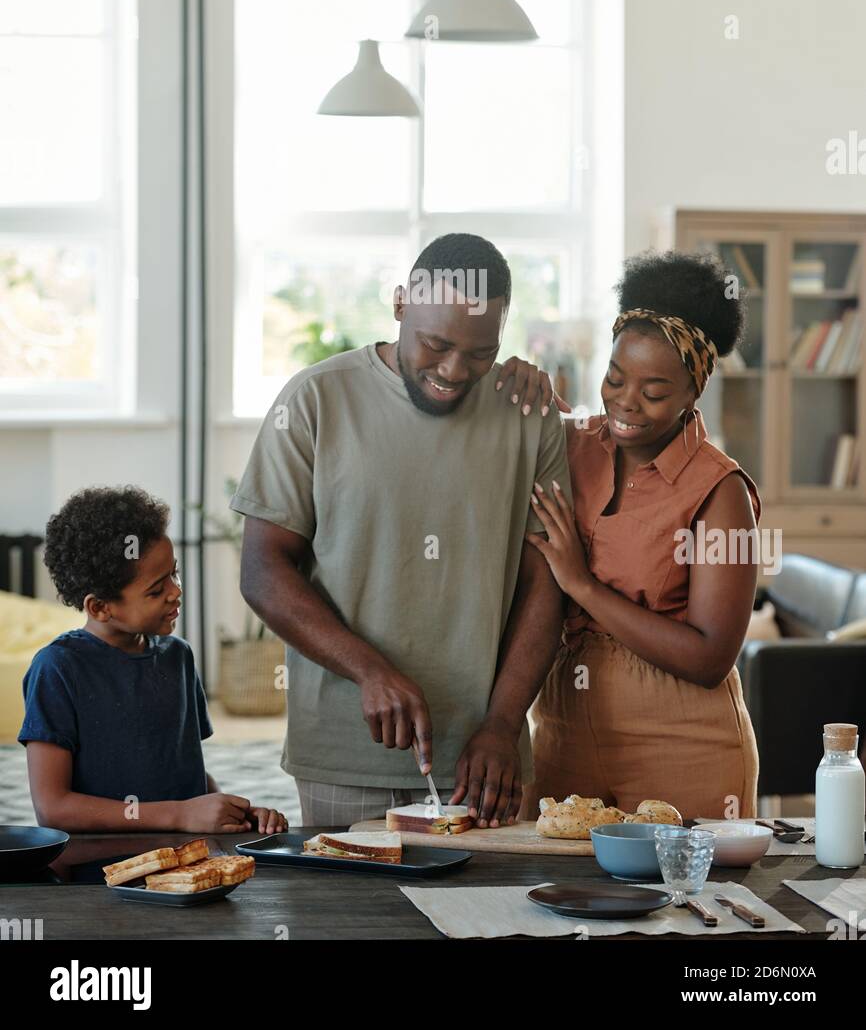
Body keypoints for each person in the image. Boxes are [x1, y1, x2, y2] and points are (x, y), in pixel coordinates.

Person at [230, 232, 572, 830]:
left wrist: (502, 722)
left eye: (479, 353)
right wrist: (369, 669)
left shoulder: (527, 413)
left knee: (492, 924)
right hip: (345, 756)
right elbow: (264, 570)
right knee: (353, 923)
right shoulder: (315, 399)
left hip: (482, 763)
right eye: (435, 344)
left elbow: (546, 581)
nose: (452, 370)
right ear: (399, 304)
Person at [519, 250, 761, 822]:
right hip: (562, 729)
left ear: (691, 394)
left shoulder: (721, 491)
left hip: (683, 745)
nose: (626, 403)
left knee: (689, 908)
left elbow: (709, 655)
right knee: (545, 898)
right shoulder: (572, 446)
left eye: (654, 391)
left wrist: (581, 584)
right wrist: (513, 380)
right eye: (615, 378)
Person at [19, 485, 287, 835]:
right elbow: (53, 808)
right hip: (102, 871)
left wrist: (231, 814)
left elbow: (186, 773)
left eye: (174, 573)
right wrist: (178, 815)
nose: (176, 591)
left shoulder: (178, 656)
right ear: (100, 607)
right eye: (156, 589)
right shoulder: (58, 670)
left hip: (183, 862)